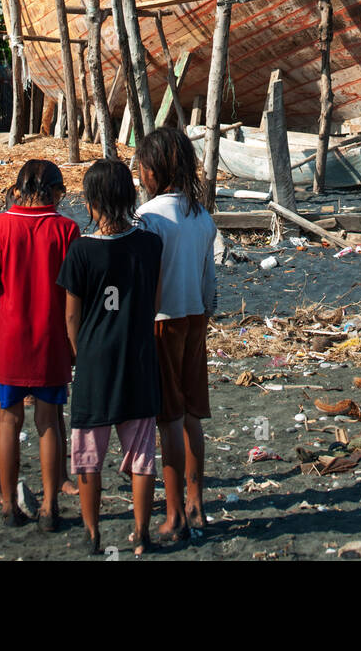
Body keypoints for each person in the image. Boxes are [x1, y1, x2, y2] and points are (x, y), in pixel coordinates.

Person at [58, 159, 163, 556]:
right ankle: (141, 532)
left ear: (91, 202)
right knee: (141, 453)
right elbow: (153, 301)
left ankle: (92, 533)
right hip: (138, 357)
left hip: (95, 361)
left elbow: (71, 314)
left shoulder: (81, 251)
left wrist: (78, 352)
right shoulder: (150, 244)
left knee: (88, 455)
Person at [0, 160, 79, 529]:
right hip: (51, 338)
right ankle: (50, 506)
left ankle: (8, 504)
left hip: (11, 338)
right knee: (48, 420)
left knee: (8, 417)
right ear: (55, 192)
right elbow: (72, 295)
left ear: (18, 189)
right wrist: (73, 342)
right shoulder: (66, 229)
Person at [137, 126, 217, 543]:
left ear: (155, 170)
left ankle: (172, 515)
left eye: (142, 166)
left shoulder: (148, 219)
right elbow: (210, 282)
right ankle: (197, 503)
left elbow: (144, 282)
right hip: (196, 318)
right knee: (190, 415)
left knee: (166, 417)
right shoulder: (201, 216)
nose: (139, 173)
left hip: (161, 321)